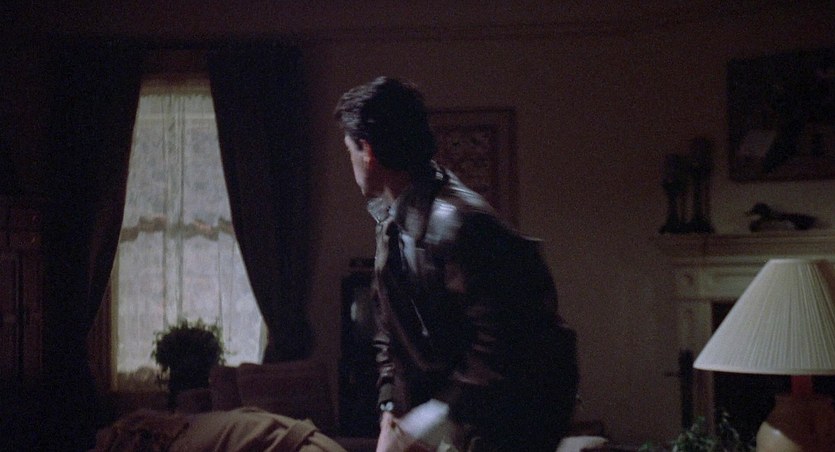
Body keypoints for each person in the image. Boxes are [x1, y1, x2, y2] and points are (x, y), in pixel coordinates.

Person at [334, 76, 578, 452]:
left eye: (349, 149)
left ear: (367, 151)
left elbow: (506, 342)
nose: (350, 161)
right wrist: (391, 411)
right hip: (458, 420)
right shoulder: (393, 220)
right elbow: (390, 334)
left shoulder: (463, 225)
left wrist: (434, 420)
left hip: (505, 427)